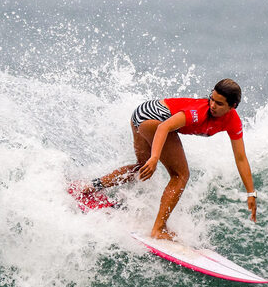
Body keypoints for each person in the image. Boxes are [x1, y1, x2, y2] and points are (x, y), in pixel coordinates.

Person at [84, 79, 257, 240]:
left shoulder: (233, 122)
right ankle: (159, 229)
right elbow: (164, 127)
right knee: (180, 175)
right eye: (211, 98)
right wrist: (155, 157)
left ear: (233, 106)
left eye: (219, 103)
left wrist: (251, 193)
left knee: (141, 167)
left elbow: (241, 158)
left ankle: (89, 187)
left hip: (141, 113)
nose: (212, 105)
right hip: (152, 117)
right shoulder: (198, 112)